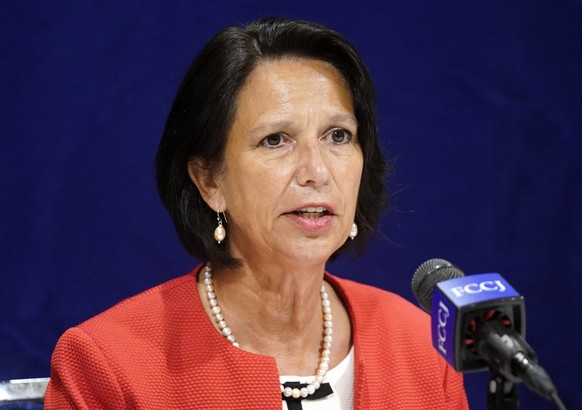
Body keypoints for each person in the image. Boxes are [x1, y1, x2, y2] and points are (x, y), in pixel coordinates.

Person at [45, 18, 468, 409]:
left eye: (338, 135)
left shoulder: (422, 348)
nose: (317, 172)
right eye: (275, 140)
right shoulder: (110, 367)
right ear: (209, 181)